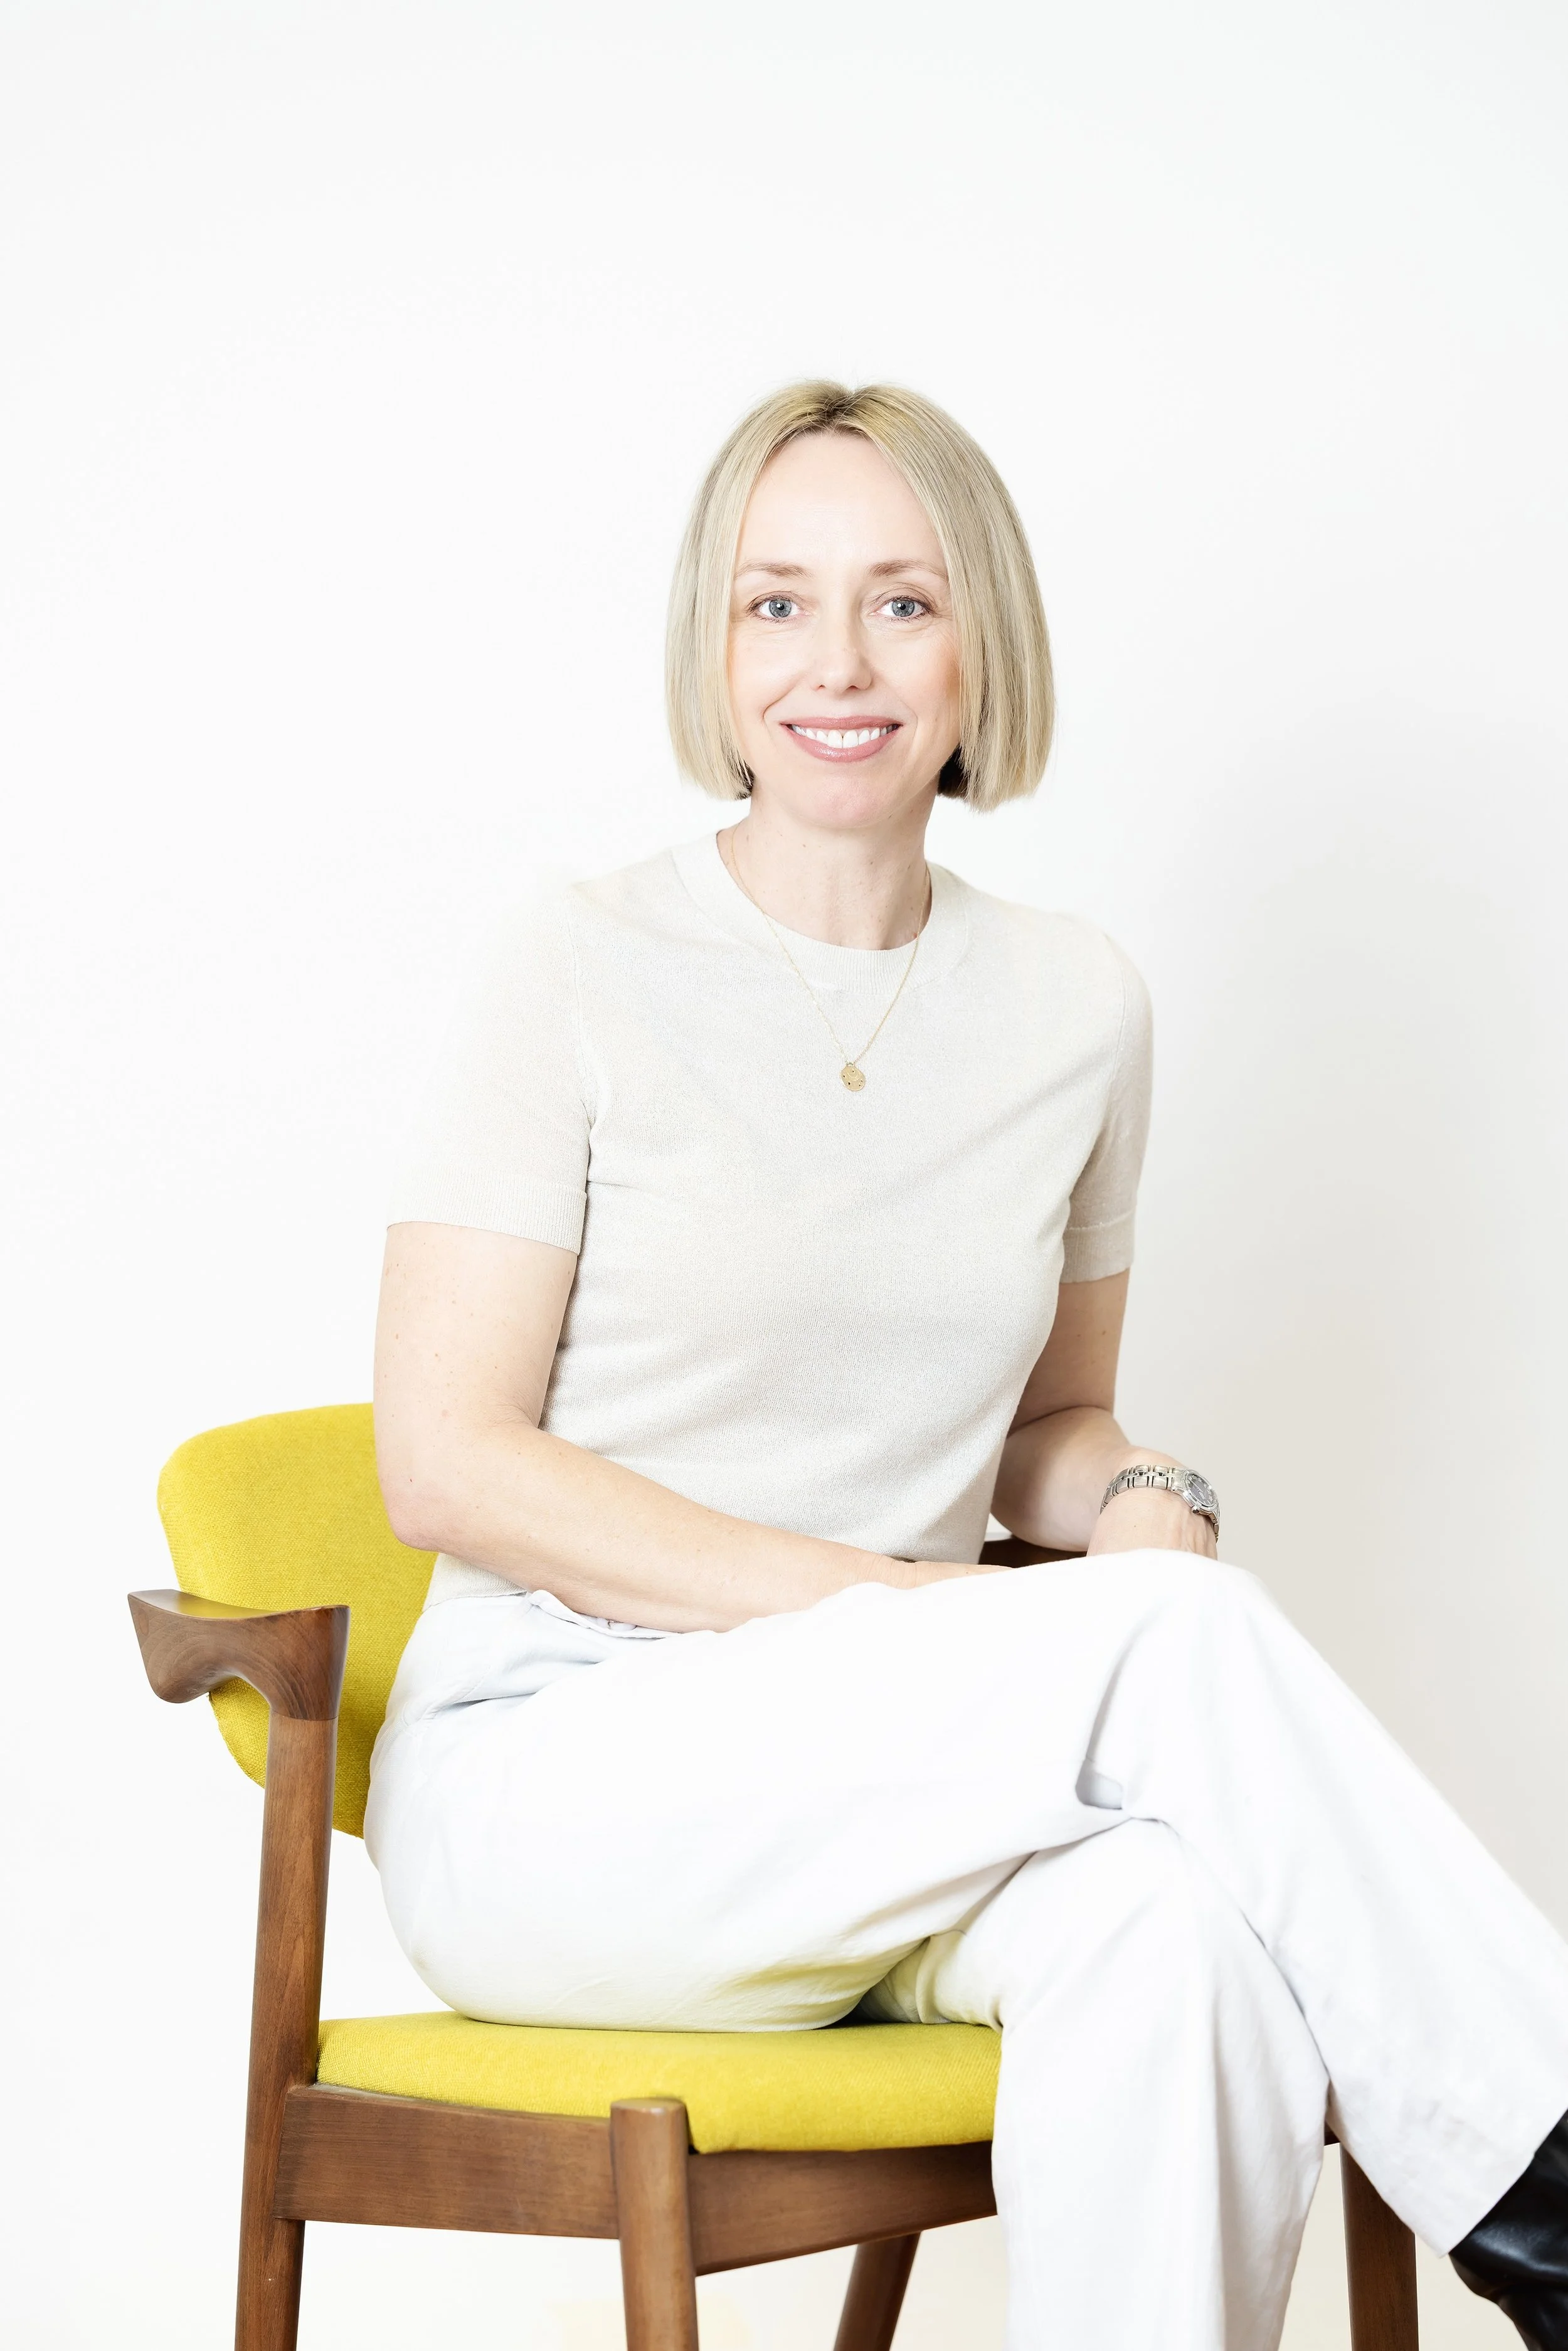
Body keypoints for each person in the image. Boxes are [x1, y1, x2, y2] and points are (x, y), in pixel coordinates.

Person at [365, 380, 1568, 2350]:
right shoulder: (569, 964)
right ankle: (1550, 2191)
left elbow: (1048, 1431)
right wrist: (890, 1607)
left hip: (906, 1781)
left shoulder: (1075, 1004)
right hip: (565, 1783)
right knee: (1168, 1657)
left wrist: (1144, 1504)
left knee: (1174, 1936)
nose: (835, 662)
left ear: (979, 642)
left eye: (900, 602)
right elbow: (445, 1462)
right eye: (774, 602)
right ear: (711, 645)